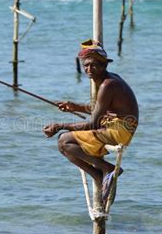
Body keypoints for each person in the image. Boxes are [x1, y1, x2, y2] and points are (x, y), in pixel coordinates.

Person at [43, 39, 139, 207]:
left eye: (94, 65)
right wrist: (75, 107)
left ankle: (107, 169)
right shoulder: (109, 81)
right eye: (86, 66)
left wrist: (60, 125)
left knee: (64, 140)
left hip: (120, 131)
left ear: (104, 66)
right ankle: (98, 175)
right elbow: (101, 108)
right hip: (116, 126)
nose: (89, 69)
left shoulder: (107, 85)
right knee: (63, 144)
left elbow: (93, 123)